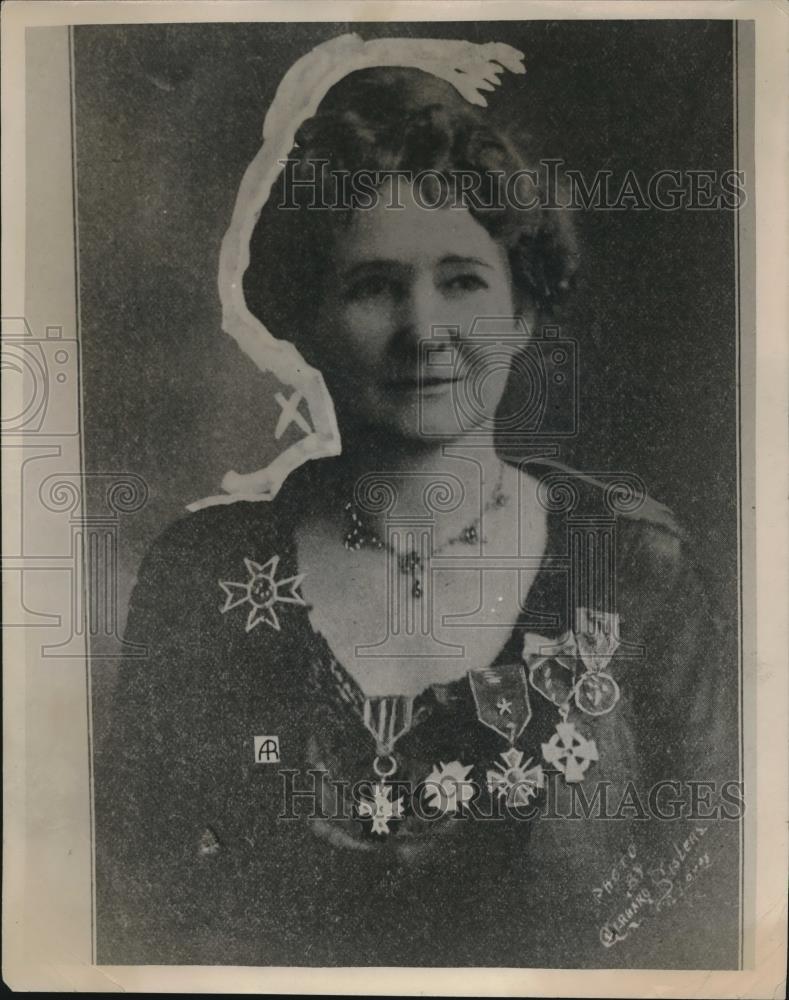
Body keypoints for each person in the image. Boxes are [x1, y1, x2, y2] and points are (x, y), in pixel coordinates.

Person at [94, 56, 740, 968]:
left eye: (463, 281)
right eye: (372, 285)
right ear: (305, 318)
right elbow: (131, 913)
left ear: (521, 309)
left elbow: (712, 906)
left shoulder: (631, 566)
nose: (423, 328)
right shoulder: (203, 579)